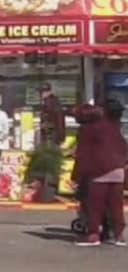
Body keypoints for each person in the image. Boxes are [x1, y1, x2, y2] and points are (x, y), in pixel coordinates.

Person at [72, 98, 128, 246]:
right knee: (116, 206)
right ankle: (119, 236)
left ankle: (93, 235)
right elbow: (123, 147)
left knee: (94, 206)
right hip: (117, 171)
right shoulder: (113, 126)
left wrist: (76, 175)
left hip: (98, 172)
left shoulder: (87, 130)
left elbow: (83, 154)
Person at [38, 82, 67, 147]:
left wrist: (61, 137)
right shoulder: (46, 102)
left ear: (49, 92)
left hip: (52, 136)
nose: (41, 94)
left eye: (43, 92)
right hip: (48, 136)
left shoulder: (53, 102)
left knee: (51, 154)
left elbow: (60, 119)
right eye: (41, 92)